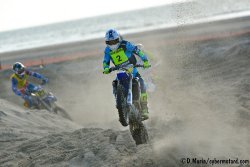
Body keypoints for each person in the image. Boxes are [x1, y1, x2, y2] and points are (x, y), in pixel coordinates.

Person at [102, 29, 151, 121]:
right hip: (120, 70)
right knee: (115, 83)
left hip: (132, 69)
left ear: (118, 39)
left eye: (114, 41)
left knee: (142, 84)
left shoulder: (126, 44)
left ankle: (144, 109)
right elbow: (105, 61)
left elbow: (137, 51)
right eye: (110, 42)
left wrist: (145, 60)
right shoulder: (107, 50)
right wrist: (106, 68)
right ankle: (120, 105)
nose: (112, 44)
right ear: (107, 42)